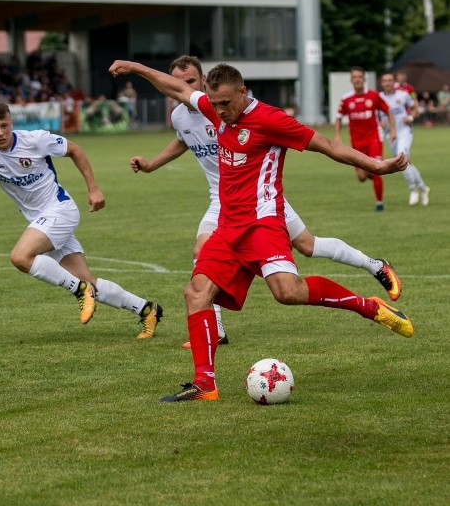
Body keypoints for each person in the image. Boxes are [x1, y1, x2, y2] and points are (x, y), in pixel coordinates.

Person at [109, 59, 412, 403]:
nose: (220, 112)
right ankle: (204, 384)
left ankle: (368, 306)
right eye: (215, 104)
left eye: (226, 103)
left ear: (242, 92)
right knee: (196, 292)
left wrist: (377, 165)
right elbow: (178, 89)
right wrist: (135, 68)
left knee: (288, 292)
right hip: (227, 225)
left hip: (263, 223)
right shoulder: (211, 107)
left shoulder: (270, 119)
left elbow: (326, 144)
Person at [0, 100, 163, 338]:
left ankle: (79, 291)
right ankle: (147, 310)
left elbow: (75, 150)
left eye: (4, 125)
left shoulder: (35, 140)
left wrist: (93, 188)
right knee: (87, 279)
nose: (0, 132)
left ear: (12, 122)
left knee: (21, 257)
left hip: (60, 210)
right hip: (42, 220)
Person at [334, 66, 395, 212]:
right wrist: (337, 135)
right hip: (356, 142)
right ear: (351, 80)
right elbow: (338, 117)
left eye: (360, 77)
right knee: (362, 177)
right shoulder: (346, 99)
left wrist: (393, 130)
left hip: (374, 138)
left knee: (376, 168)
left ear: (364, 79)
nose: (357, 79)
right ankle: (374, 175)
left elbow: (388, 111)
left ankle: (379, 203)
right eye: (354, 77)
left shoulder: (373, 95)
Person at [379, 71, 430, 206]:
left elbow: (415, 108)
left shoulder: (403, 95)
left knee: (402, 157)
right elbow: (376, 115)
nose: (387, 83)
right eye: (385, 81)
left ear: (394, 82)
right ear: (382, 83)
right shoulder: (378, 97)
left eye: (390, 80)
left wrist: (411, 117)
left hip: (404, 131)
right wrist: (380, 122)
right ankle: (423, 188)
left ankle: (413, 190)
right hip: (390, 135)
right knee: (405, 163)